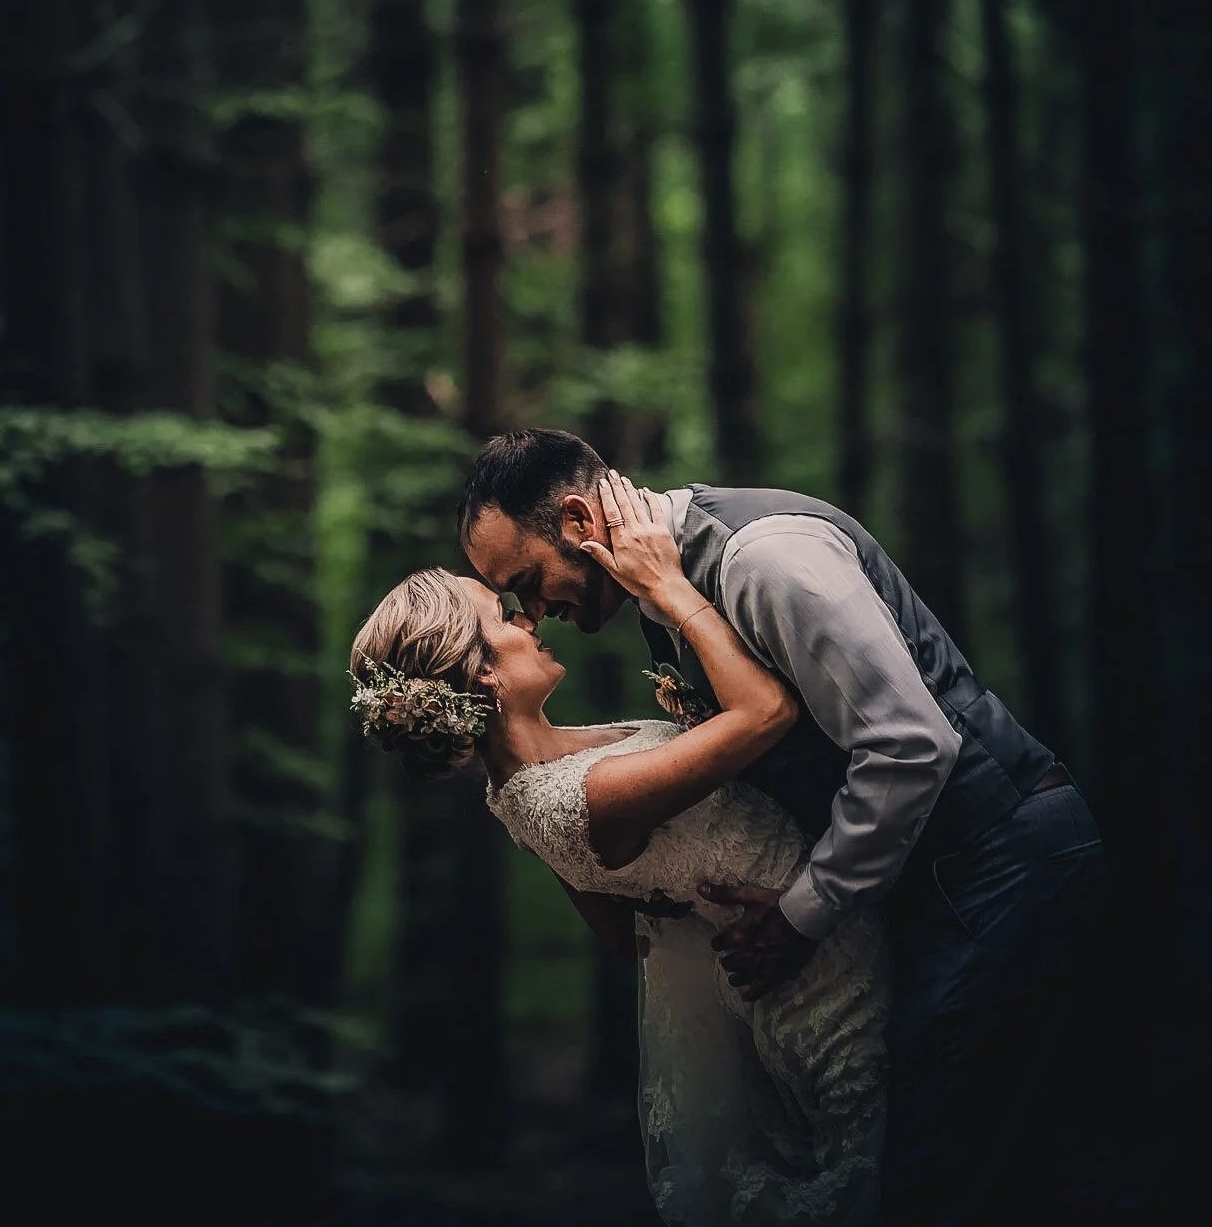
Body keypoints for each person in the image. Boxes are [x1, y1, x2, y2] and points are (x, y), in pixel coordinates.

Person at [458, 430, 1106, 1227]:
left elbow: (909, 745)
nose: (534, 613)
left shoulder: (767, 559)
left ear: (577, 519)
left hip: (999, 856)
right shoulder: (664, 593)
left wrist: (802, 914)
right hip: (932, 878)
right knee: (984, 1168)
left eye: (526, 581)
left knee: (934, 1169)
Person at [351, 477, 891, 1226]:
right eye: (504, 615)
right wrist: (669, 587)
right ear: (480, 671)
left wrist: (692, 894)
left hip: (807, 947)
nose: (530, 619)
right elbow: (764, 712)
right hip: (824, 983)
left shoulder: (527, 788)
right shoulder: (579, 797)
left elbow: (621, 934)